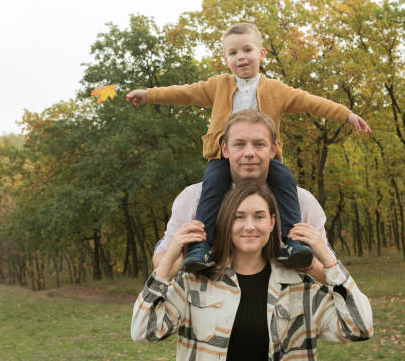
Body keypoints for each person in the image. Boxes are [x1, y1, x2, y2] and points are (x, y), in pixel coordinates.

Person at [126, 22, 372, 272]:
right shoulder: (218, 86)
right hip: (223, 160)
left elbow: (312, 103)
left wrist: (346, 115)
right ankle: (202, 246)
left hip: (267, 161)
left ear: (261, 53)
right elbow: (184, 93)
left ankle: (293, 241)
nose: (241, 57)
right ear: (226, 59)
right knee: (213, 185)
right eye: (233, 53)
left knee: (285, 180)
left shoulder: (277, 90)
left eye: (247, 50)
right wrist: (149, 94)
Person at [131, 181, 373, 360]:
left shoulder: (300, 285)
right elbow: (143, 331)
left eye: (259, 216)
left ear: (272, 223)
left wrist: (327, 262)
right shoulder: (195, 280)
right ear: (226, 223)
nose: (249, 226)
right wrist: (168, 263)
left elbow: (360, 327)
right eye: (239, 217)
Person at [152, 110, 329, 280]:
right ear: (225, 149)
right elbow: (160, 262)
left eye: (259, 144)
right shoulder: (192, 197)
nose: (249, 153)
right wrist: (185, 259)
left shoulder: (302, 201)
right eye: (239, 144)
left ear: (273, 150)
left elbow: (330, 273)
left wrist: (309, 264)